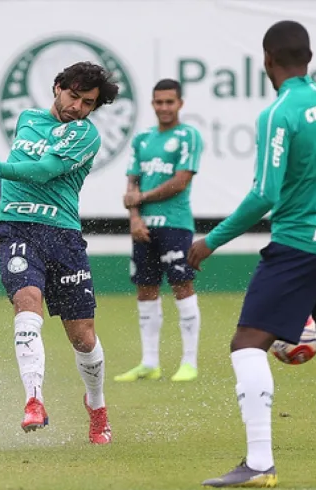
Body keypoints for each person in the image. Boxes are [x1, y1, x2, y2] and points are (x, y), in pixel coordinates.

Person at [188, 20, 316, 488]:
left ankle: (259, 464)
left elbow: (265, 193)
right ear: (309, 57)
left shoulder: (278, 113)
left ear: (266, 59)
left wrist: (211, 240)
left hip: (298, 245)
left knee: (246, 345)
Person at [0, 62, 118, 444]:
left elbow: (40, 171)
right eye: (73, 96)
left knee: (83, 338)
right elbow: (18, 176)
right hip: (17, 228)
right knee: (27, 301)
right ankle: (34, 401)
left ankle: (96, 405)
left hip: (63, 236)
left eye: (88, 103)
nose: (77, 107)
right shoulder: (27, 120)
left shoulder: (85, 134)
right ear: (56, 87)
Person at [114, 79, 204, 384]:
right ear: (152, 104)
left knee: (182, 285)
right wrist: (135, 218)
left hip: (176, 224)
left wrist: (141, 199)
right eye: (158, 102)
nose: (164, 107)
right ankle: (149, 362)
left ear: (180, 103)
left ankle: (189, 362)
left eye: (169, 102)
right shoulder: (142, 139)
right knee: (145, 289)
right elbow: (132, 183)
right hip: (144, 228)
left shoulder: (188, 136)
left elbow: (180, 182)